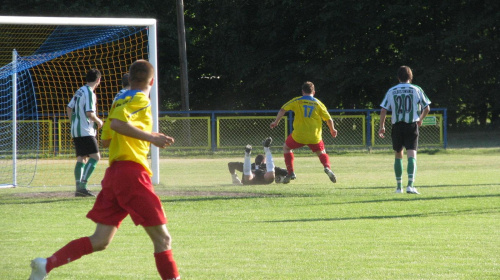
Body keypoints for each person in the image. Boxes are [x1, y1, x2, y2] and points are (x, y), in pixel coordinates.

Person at [29, 60, 181, 280]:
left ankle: (46, 265)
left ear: (130, 78)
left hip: (115, 174)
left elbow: (108, 139)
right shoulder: (139, 98)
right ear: (152, 80)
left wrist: (136, 132)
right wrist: (151, 137)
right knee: (163, 240)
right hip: (132, 173)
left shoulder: (119, 99)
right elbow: (118, 125)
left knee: (100, 240)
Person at [270, 81, 338, 184]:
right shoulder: (318, 103)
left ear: (302, 91)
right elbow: (328, 119)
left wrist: (276, 122)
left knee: (286, 147)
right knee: (321, 153)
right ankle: (327, 167)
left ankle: (291, 172)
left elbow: (283, 109)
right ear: (313, 92)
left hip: (299, 135)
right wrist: (332, 129)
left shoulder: (297, 101)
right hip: (314, 136)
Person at [378, 65, 431, 194]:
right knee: (412, 154)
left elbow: (384, 109)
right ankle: (410, 185)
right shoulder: (416, 89)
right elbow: (427, 108)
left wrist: (382, 126)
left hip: (397, 125)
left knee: (398, 154)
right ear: (410, 76)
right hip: (411, 124)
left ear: (398, 77)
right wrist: (420, 119)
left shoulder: (392, 90)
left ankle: (398, 187)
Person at [66, 68, 104, 197]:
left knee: (82, 158)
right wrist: (99, 122)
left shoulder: (79, 91)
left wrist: (74, 123)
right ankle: (82, 186)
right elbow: (89, 113)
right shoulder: (89, 93)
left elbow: (69, 108)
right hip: (85, 131)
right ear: (98, 80)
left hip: (76, 130)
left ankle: (78, 188)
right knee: (96, 157)